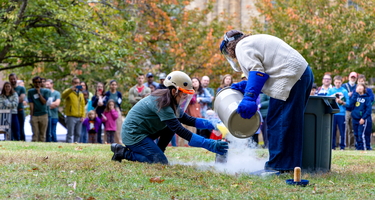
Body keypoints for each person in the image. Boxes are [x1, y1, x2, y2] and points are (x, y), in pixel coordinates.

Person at [220, 30, 313, 172]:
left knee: (279, 121)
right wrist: (245, 85)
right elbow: (266, 71)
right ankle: (289, 166)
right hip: (301, 74)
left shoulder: (241, 46)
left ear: (229, 46)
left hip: (289, 76)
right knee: (291, 123)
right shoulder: (252, 42)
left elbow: (257, 72)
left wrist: (249, 97)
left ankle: (278, 167)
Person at [110, 71, 228, 164]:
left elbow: (189, 120)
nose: (185, 97)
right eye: (184, 93)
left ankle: (158, 151)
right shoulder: (163, 103)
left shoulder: (170, 100)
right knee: (159, 162)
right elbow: (180, 130)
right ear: (174, 91)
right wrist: (209, 144)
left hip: (145, 132)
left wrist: (214, 124)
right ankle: (123, 152)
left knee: (170, 128)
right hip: (134, 135)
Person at [327, 76, 349, 150]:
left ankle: (342, 146)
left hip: (341, 113)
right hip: (333, 113)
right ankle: (332, 146)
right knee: (332, 131)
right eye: (336, 82)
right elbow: (326, 100)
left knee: (342, 131)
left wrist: (342, 102)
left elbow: (348, 103)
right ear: (334, 82)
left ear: (341, 82)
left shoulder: (344, 91)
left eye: (339, 82)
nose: (337, 84)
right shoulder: (330, 90)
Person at [62, 77, 86, 143]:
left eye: (78, 83)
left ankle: (76, 145)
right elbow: (63, 96)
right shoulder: (69, 91)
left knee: (78, 133)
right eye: (75, 83)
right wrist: (71, 89)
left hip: (79, 116)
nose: (76, 84)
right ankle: (69, 145)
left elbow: (83, 105)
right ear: (72, 83)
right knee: (70, 133)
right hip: (71, 116)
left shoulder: (81, 93)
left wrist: (83, 115)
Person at [349, 83, 372, 150]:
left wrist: (363, 118)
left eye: (361, 86)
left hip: (362, 119)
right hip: (354, 118)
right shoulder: (355, 97)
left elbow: (368, 110)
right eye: (358, 86)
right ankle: (358, 147)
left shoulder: (367, 98)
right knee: (355, 133)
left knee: (361, 134)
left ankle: (364, 148)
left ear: (364, 88)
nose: (359, 88)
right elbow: (350, 105)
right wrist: (355, 94)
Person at [27, 76, 51, 142]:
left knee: (42, 134)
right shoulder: (30, 92)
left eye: (39, 82)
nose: (37, 84)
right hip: (35, 114)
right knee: (35, 134)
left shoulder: (46, 91)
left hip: (44, 114)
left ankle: (42, 148)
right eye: (36, 82)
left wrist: (39, 93)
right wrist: (31, 115)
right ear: (33, 83)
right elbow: (31, 103)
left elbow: (44, 102)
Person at [356, 75, 374, 150]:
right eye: (360, 81)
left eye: (362, 81)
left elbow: (372, 98)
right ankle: (358, 145)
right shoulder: (355, 90)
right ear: (357, 81)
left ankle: (367, 145)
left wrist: (363, 100)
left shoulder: (368, 90)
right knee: (357, 130)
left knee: (367, 130)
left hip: (366, 113)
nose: (361, 82)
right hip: (357, 113)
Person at [104, 80, 123, 144]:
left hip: (116, 110)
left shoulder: (118, 94)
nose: (113, 86)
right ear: (110, 85)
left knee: (117, 127)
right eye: (112, 84)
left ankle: (118, 142)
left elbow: (120, 102)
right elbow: (105, 102)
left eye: (115, 84)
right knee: (107, 128)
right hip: (108, 110)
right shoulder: (107, 93)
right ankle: (107, 142)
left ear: (117, 86)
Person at [9, 73, 26, 141]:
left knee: (21, 127)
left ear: (17, 79)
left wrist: (10, 100)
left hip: (19, 110)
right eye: (11, 79)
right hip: (11, 111)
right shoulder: (7, 88)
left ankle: (22, 140)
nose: (13, 80)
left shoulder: (21, 88)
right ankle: (13, 140)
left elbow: (21, 99)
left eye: (14, 79)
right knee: (12, 128)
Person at [342, 72, 358, 148]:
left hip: (354, 110)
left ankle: (351, 145)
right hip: (345, 109)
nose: (352, 79)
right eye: (351, 77)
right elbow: (340, 96)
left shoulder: (357, 86)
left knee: (352, 128)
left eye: (354, 77)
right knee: (345, 128)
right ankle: (344, 144)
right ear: (349, 77)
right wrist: (347, 95)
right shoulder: (344, 86)